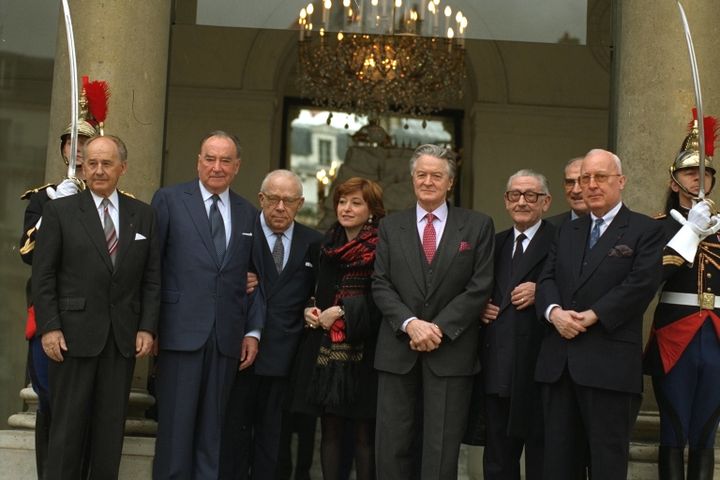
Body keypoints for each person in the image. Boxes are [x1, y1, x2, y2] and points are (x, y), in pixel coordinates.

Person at [31, 134, 160, 479]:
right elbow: (44, 277)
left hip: (121, 340)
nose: (99, 170)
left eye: (107, 163)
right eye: (92, 163)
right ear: (83, 168)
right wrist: (50, 327)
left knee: (108, 435)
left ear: (123, 168)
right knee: (66, 433)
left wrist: (147, 326)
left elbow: (152, 277)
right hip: (70, 339)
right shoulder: (59, 211)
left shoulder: (143, 215)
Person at [535, 148, 665, 479]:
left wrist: (593, 315)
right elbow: (546, 278)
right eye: (585, 178)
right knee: (558, 464)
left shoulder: (644, 230)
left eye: (600, 177)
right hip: (560, 365)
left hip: (609, 367)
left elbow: (640, 286)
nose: (590, 185)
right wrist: (553, 313)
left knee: (607, 463)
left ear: (620, 181)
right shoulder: (567, 230)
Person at [373, 144, 495, 479]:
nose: (428, 181)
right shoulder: (390, 227)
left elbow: (479, 286)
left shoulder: (477, 226)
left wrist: (437, 329)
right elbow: (380, 284)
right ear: (412, 178)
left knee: (441, 450)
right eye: (421, 174)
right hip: (398, 351)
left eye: (436, 175)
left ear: (450, 182)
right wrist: (411, 324)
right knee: (391, 447)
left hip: (451, 352)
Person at [152, 131, 263, 479]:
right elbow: (151, 267)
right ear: (198, 161)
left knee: (212, 435)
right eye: (210, 159)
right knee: (175, 432)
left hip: (225, 339)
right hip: (179, 334)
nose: (217, 167)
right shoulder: (169, 200)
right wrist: (148, 326)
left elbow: (256, 278)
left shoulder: (248, 212)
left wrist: (253, 331)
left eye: (225, 160)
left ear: (237, 166)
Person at [219, 169, 322, 479]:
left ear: (300, 203)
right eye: (274, 199)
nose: (280, 207)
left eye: (289, 201)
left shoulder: (314, 242)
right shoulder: (238, 234)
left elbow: (319, 293)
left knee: (274, 442)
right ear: (260, 199)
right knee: (234, 438)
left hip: (287, 358)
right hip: (240, 354)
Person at [290, 176, 385, 480]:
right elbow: (312, 289)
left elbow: (384, 299)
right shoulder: (325, 244)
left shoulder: (384, 246)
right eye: (342, 202)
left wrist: (344, 311)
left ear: (371, 210)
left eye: (356, 203)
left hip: (366, 352)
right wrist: (310, 310)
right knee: (329, 429)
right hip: (327, 353)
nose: (346, 208)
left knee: (363, 434)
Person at [19, 118, 97, 479]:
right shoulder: (43, 197)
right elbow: (28, 252)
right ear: (63, 148)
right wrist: (54, 211)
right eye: (72, 142)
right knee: (49, 404)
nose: (78, 149)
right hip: (52, 314)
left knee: (89, 408)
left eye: (86, 141)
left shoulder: (112, 200)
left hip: (93, 316)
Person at [644, 114, 720, 480]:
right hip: (676, 333)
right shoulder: (658, 227)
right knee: (673, 427)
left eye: (704, 173)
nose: (698, 179)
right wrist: (690, 231)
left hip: (717, 335)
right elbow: (654, 275)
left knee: (706, 430)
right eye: (690, 173)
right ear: (674, 182)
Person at [477, 169, 555, 480]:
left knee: (541, 460)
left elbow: (579, 288)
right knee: (497, 461)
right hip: (498, 367)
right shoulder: (493, 243)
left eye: (530, 195)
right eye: (515, 195)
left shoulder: (560, 240)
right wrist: (477, 306)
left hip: (539, 369)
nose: (521, 201)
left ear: (545, 202)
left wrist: (543, 291)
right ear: (506, 201)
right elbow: (473, 286)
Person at [546, 157, 588, 227]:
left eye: (583, 181)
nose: (575, 190)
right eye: (570, 182)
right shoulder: (549, 228)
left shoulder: (610, 225)